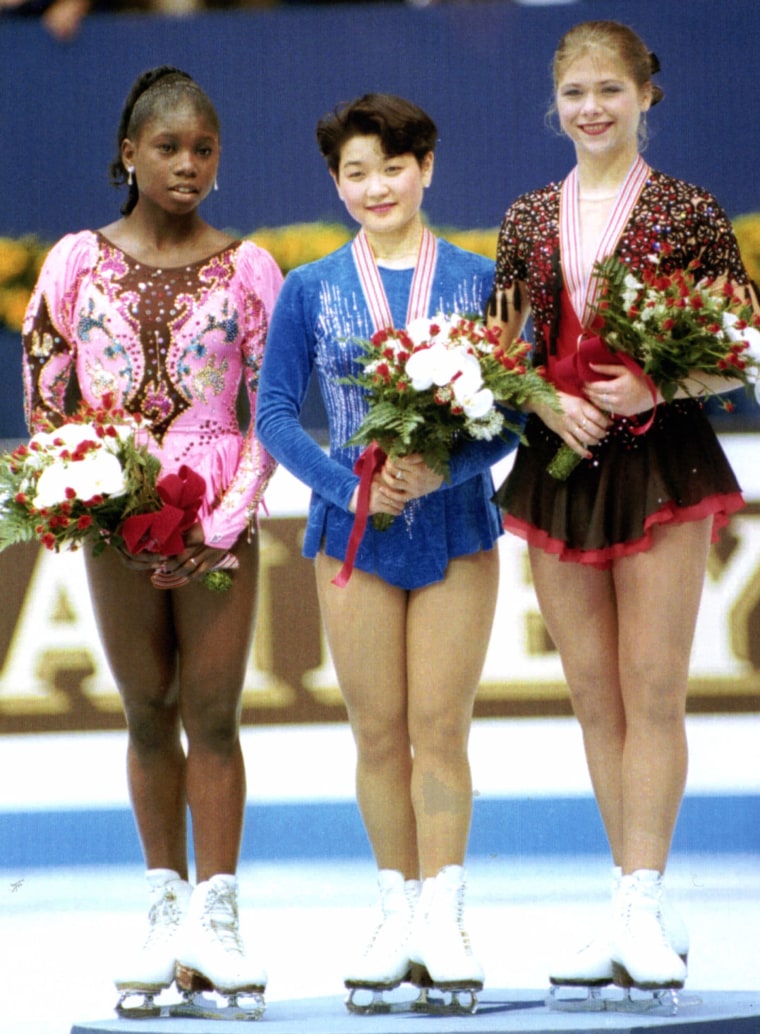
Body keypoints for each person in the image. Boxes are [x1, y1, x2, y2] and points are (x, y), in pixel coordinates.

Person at [488, 20, 759, 997]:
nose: (591, 108)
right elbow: (497, 354)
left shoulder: (686, 209)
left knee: (651, 688)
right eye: (574, 93)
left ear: (646, 93)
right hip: (561, 462)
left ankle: (640, 900)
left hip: (661, 461)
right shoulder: (526, 218)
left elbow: (742, 345)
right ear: (554, 104)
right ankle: (632, 894)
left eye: (609, 88)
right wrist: (539, 396)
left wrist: (660, 385)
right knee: (593, 693)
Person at [21, 66, 282, 1016]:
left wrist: (225, 517)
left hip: (221, 520)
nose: (187, 165)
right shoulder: (74, 263)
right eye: (168, 148)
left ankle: (219, 923)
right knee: (146, 711)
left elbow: (275, 411)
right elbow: (49, 401)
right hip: (112, 520)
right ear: (129, 153)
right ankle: (163, 910)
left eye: (203, 149)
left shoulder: (252, 267)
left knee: (212, 715)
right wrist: (91, 502)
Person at [256, 93, 520, 1009]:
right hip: (353, 532)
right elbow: (275, 416)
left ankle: (445, 915)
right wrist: (350, 487)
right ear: (335, 182)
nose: (375, 187)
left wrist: (441, 472)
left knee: (440, 728)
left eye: (392, 167)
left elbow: (512, 414)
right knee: (376, 733)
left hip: (455, 528)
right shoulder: (311, 287)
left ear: (428, 168)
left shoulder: (483, 280)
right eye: (355, 173)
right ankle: (395, 910)